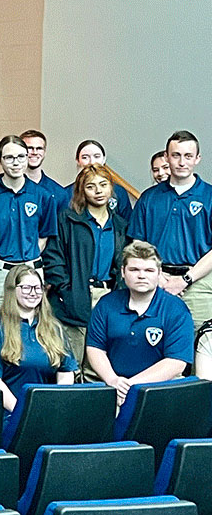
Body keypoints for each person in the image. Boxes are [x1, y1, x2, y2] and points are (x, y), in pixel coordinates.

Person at [86, 241, 193, 406]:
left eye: (149, 270)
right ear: (123, 272)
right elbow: (95, 349)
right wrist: (113, 380)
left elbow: (176, 363)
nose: (141, 275)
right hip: (112, 387)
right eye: (134, 270)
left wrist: (131, 387)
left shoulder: (176, 310)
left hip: (160, 391)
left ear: (159, 273)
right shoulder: (106, 304)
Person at [43, 164, 128, 367]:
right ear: (82, 190)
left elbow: (122, 264)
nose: (98, 191)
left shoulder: (120, 225)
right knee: (70, 362)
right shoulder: (67, 219)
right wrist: (66, 289)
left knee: (98, 361)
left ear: (111, 188)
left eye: (103, 185)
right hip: (74, 295)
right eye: (91, 186)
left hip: (107, 296)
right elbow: (53, 258)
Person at [128, 131, 212, 327]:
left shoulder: (209, 196)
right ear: (166, 157)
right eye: (176, 155)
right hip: (156, 282)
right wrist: (157, 277)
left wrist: (185, 280)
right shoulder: (149, 198)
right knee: (153, 343)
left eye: (188, 156)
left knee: (200, 344)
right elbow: (138, 244)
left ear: (197, 159)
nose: (182, 162)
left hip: (198, 283)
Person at [0, 136, 58, 318]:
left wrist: (25, 259)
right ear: (0, 160)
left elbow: (44, 236)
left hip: (30, 270)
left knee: (31, 322)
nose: (16, 163)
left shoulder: (43, 195)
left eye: (21, 156)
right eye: (9, 158)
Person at [0, 265, 76, 411]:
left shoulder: (53, 327)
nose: (33, 293)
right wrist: (21, 413)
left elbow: (66, 371)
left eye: (38, 288)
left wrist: (57, 405)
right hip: (10, 413)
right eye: (26, 288)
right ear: (12, 289)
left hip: (47, 411)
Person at [74, 139, 134, 222]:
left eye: (97, 156)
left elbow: (127, 223)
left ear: (104, 159)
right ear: (78, 160)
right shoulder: (67, 193)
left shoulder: (119, 192)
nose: (92, 162)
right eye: (85, 157)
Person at [20, 130, 70, 213]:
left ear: (44, 152)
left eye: (39, 148)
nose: (35, 152)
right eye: (30, 148)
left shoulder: (58, 193)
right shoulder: (8, 189)